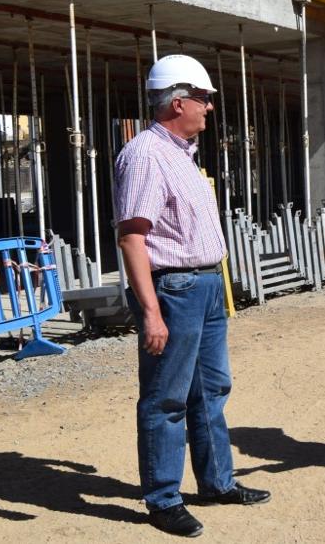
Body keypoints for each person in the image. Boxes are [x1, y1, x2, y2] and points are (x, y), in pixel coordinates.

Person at [113, 54, 270, 538]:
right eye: (204, 99)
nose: (209, 108)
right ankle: (163, 498)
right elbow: (132, 236)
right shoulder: (144, 154)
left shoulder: (181, 154)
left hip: (203, 286)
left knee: (212, 391)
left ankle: (218, 482)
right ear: (177, 102)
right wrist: (152, 312)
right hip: (175, 290)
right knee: (166, 399)